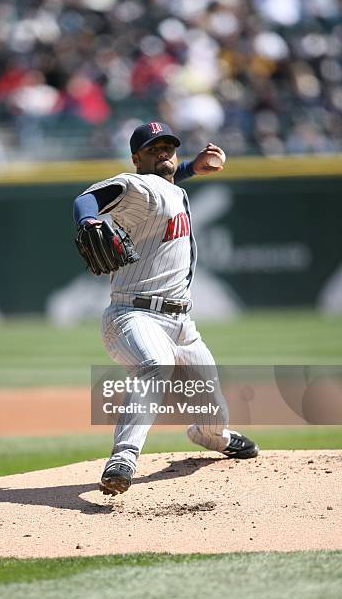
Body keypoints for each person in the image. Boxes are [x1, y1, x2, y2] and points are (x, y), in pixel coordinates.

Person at [73, 121, 259, 495]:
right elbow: (85, 200)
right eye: (153, 148)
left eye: (168, 147)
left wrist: (192, 167)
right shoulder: (135, 184)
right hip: (133, 315)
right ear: (135, 157)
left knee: (211, 406)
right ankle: (123, 458)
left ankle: (215, 438)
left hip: (181, 324)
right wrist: (89, 219)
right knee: (155, 365)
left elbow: (168, 183)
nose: (163, 153)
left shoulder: (166, 188)